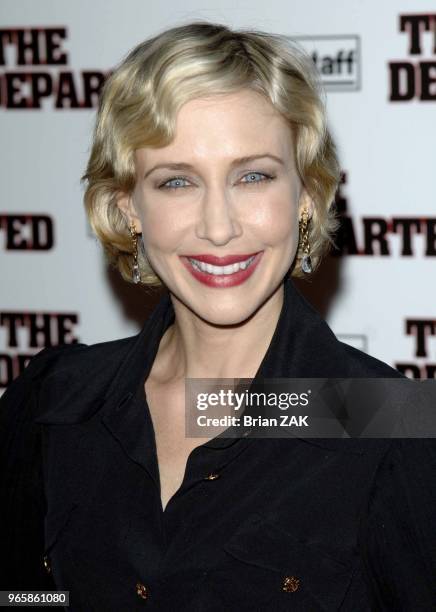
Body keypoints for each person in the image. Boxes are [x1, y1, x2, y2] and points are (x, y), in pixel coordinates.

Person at [0, 20, 435, 612]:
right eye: (176, 181)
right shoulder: (54, 402)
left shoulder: (390, 426)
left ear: (305, 194)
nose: (219, 226)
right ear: (129, 207)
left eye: (252, 176)